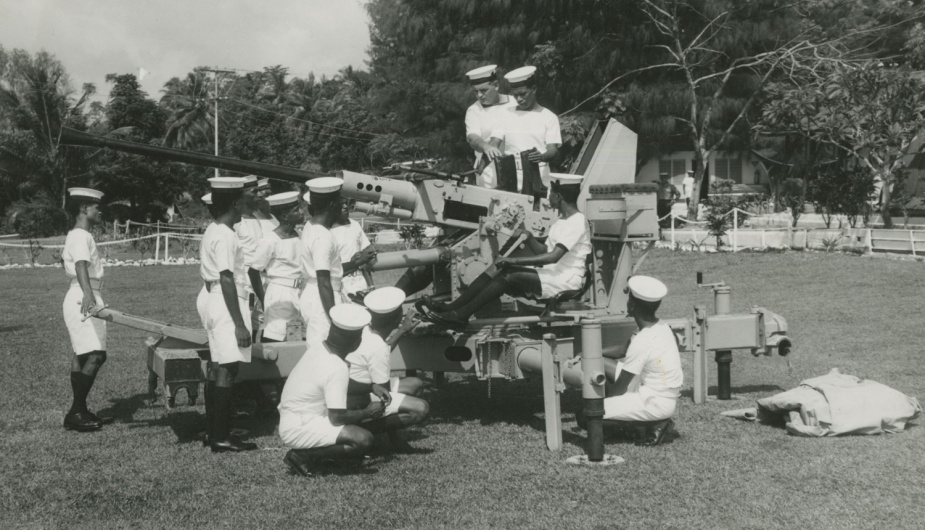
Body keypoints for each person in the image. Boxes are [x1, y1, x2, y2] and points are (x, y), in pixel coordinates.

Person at [419, 173, 590, 330]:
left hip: (565, 280)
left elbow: (553, 257)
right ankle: (452, 308)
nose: (548, 196)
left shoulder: (577, 222)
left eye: (551, 192)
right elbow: (546, 250)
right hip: (551, 274)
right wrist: (529, 237)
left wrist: (512, 261)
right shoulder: (561, 221)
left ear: (559, 197)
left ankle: (460, 316)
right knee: (497, 266)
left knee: (509, 274)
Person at [279, 304, 381, 476]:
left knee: (355, 405)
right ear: (356, 342)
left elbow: (337, 384)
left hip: (295, 418)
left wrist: (371, 386)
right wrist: (368, 412)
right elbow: (337, 418)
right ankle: (302, 456)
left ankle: (331, 456)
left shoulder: (320, 348)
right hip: (300, 426)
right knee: (363, 439)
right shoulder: (336, 366)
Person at [200, 176, 258, 452]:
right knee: (227, 369)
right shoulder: (225, 235)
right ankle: (221, 437)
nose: (248, 202)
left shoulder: (215, 230)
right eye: (244, 198)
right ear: (235, 203)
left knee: (217, 367)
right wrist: (239, 324)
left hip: (216, 301)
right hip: (226, 304)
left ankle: (213, 432)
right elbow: (226, 279)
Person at [602, 275, 682, 446]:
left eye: (629, 298)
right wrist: (592, 353)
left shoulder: (643, 340)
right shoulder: (660, 325)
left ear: (632, 305)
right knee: (601, 363)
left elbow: (621, 386)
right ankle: (647, 423)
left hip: (653, 402)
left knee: (588, 416)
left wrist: (604, 404)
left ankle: (647, 428)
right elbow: (625, 349)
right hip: (656, 392)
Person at [347, 287, 429, 452]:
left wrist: (403, 330)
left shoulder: (365, 329)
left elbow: (382, 348)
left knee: (416, 384)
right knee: (421, 409)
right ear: (396, 318)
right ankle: (364, 432)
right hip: (358, 398)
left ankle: (393, 437)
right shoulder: (377, 346)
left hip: (355, 389)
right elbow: (383, 397)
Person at [62, 187, 113, 432]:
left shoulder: (77, 234)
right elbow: (81, 264)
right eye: (96, 207)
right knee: (96, 354)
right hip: (84, 295)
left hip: (82, 292)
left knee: (83, 354)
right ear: (84, 209)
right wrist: (89, 295)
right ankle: (75, 412)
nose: (100, 211)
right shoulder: (81, 235)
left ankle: (79, 411)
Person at [484, 65, 562, 195]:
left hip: (538, 178)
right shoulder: (506, 114)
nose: (519, 99)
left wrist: (541, 157)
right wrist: (485, 155)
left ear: (534, 89)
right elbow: (494, 143)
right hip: (510, 178)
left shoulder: (549, 117)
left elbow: (553, 150)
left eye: (523, 94)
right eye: (515, 95)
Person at [250, 191, 305, 343]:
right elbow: (253, 271)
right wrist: (263, 298)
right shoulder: (270, 240)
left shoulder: (300, 236)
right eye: (296, 210)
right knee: (276, 335)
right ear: (285, 216)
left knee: (294, 338)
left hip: (299, 292)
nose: (301, 212)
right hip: (280, 293)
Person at [299, 177, 348, 346]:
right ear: (333, 205)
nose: (342, 205)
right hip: (322, 299)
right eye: (340, 201)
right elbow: (324, 282)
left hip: (316, 295)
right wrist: (335, 320)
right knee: (323, 353)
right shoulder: (322, 237)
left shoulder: (311, 226)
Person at [464, 64, 518, 185]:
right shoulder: (474, 110)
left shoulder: (515, 103)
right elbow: (473, 138)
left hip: (518, 170)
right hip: (488, 173)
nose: (479, 96)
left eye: (483, 90)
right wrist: (486, 147)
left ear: (496, 85)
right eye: (475, 91)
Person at [331, 199, 377, 301]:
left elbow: (367, 253)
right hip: (342, 283)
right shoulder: (328, 232)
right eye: (341, 204)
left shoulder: (355, 225)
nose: (345, 206)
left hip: (360, 280)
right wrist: (353, 262)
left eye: (345, 203)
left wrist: (371, 286)